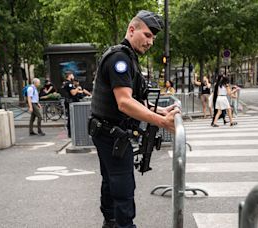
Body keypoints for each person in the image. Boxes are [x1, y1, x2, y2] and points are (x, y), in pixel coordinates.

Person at [89, 10, 178, 228]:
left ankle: (110, 222)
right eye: (147, 35)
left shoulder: (128, 57)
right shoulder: (120, 59)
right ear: (132, 30)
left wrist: (160, 112)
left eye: (153, 38)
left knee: (111, 182)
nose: (151, 42)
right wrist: (161, 122)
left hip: (107, 131)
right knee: (123, 187)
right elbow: (124, 102)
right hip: (111, 134)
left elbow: (135, 100)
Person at [61, 71, 83, 138]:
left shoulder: (67, 83)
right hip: (70, 102)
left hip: (70, 102)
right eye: (72, 75)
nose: (73, 76)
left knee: (72, 118)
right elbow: (73, 93)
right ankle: (71, 133)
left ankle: (72, 133)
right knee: (71, 118)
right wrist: (77, 88)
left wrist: (80, 91)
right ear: (69, 75)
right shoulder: (69, 83)